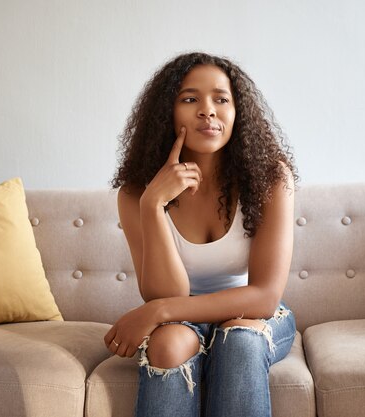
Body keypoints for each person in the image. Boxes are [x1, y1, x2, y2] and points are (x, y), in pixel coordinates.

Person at [107, 52, 298, 417]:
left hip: (250, 314)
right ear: (167, 112)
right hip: (181, 316)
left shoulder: (271, 178)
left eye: (221, 99)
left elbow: (265, 297)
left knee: (238, 341)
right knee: (168, 344)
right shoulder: (136, 194)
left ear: (237, 111)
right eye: (190, 99)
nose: (207, 110)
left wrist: (158, 311)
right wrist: (153, 206)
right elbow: (169, 293)